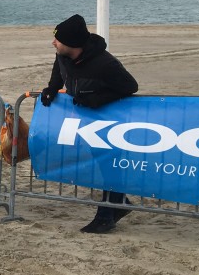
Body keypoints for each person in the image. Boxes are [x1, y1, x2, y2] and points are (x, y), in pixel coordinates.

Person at [40, 13, 139, 234]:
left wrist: (98, 98)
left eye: (58, 39)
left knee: (109, 164)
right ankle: (120, 204)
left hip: (110, 120)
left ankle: (105, 216)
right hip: (87, 120)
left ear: (73, 44)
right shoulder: (63, 55)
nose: (53, 42)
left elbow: (130, 86)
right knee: (103, 166)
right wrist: (52, 89)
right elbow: (59, 70)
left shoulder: (105, 63)